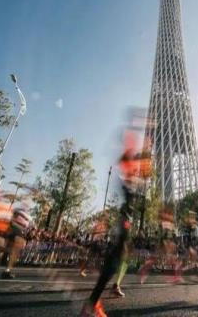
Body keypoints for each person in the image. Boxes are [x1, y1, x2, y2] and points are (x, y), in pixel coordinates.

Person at [81, 121, 152, 317]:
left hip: (126, 221)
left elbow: (141, 175)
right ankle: (91, 304)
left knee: (119, 258)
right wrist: (142, 150)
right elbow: (133, 166)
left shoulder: (132, 178)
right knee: (114, 261)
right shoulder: (127, 175)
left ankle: (94, 301)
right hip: (124, 221)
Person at [1, 206, 31, 279]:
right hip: (15, 232)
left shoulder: (22, 218)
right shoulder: (17, 215)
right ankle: (7, 269)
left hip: (13, 232)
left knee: (12, 251)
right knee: (15, 252)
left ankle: (6, 266)